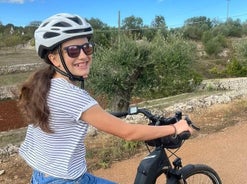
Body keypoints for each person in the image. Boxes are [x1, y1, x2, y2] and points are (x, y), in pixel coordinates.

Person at [18, 13, 193, 184]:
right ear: (54, 58)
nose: (83, 56)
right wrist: (174, 127)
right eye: (72, 50)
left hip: (41, 177)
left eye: (87, 48)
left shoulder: (45, 85)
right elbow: (128, 133)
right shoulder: (73, 96)